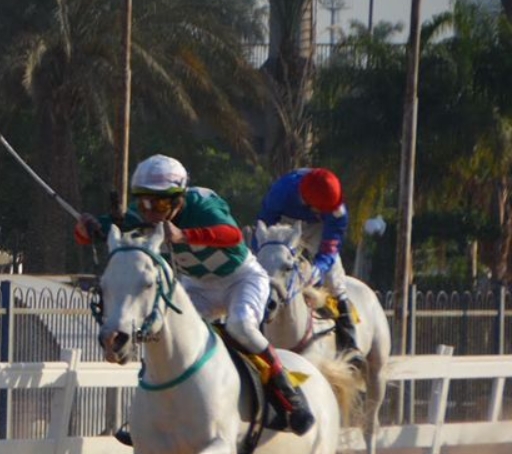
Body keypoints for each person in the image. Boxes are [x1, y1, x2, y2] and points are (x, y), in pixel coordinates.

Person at [75, 154, 314, 438]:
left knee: (240, 326)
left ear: (179, 198)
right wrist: (88, 228)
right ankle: (146, 414)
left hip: (241, 278)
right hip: (199, 286)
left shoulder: (202, 203)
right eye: (143, 202)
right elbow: (100, 231)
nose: (150, 211)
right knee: (166, 335)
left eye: (160, 203)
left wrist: (184, 236)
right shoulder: (148, 214)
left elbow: (233, 236)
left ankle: (290, 395)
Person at [255, 166, 358, 354]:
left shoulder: (336, 210)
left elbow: (331, 245)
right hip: (284, 224)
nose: (327, 211)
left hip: (319, 228)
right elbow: (264, 229)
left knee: (334, 280)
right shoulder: (281, 192)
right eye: (322, 209)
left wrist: (320, 268)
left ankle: (350, 344)